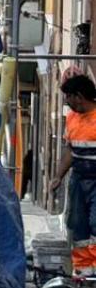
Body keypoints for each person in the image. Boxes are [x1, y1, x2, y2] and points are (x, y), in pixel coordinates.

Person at [49, 73, 96, 272]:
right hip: (78, 179)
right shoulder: (72, 119)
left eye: (68, 97)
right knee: (78, 225)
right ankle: (84, 270)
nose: (67, 103)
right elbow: (70, 150)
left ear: (78, 96)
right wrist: (58, 176)